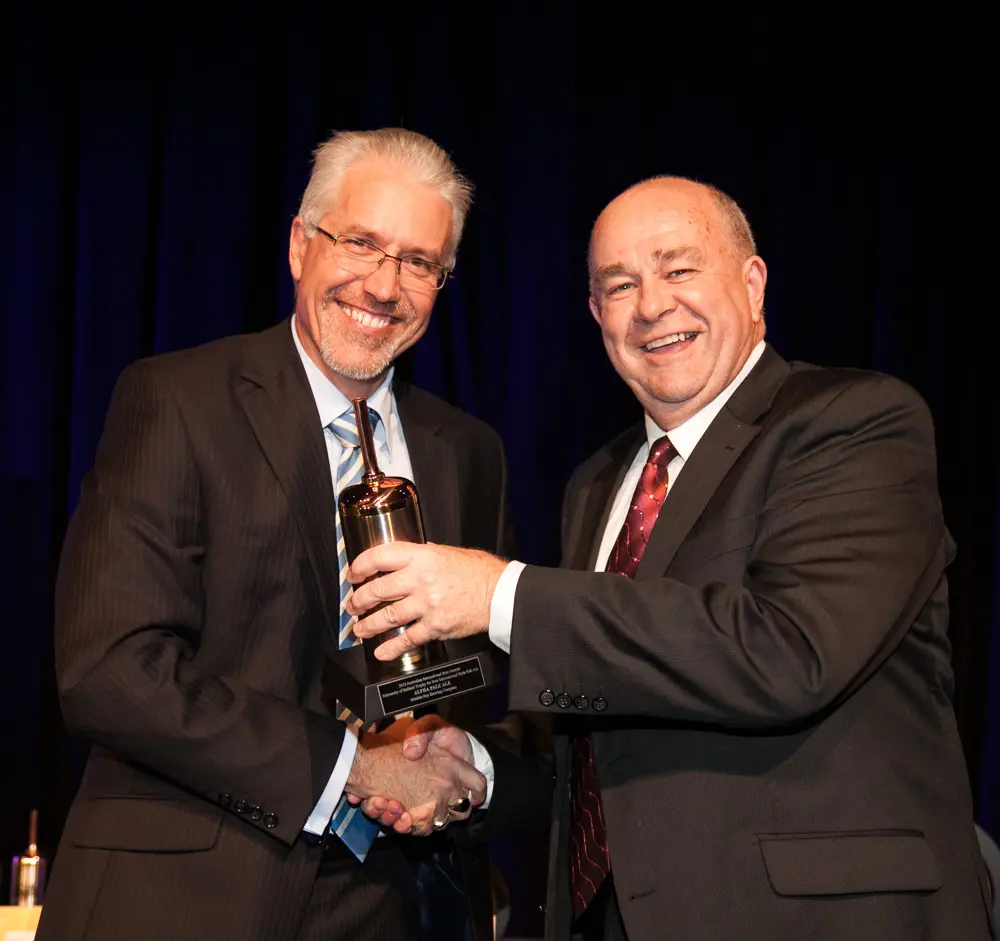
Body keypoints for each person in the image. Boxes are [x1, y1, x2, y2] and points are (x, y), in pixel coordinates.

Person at [346, 176, 996, 940]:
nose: (651, 305)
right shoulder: (597, 483)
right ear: (596, 316)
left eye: (679, 268)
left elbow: (787, 651)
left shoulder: (854, 423)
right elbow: (590, 724)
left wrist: (498, 595)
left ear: (752, 285)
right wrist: (474, 770)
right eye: (619, 284)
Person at [39, 128, 512, 941]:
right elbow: (108, 668)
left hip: (397, 903)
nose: (384, 284)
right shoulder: (178, 401)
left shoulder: (468, 450)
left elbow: (493, 675)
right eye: (360, 242)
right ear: (301, 245)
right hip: (186, 899)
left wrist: (462, 765)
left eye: (419, 262)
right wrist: (350, 765)